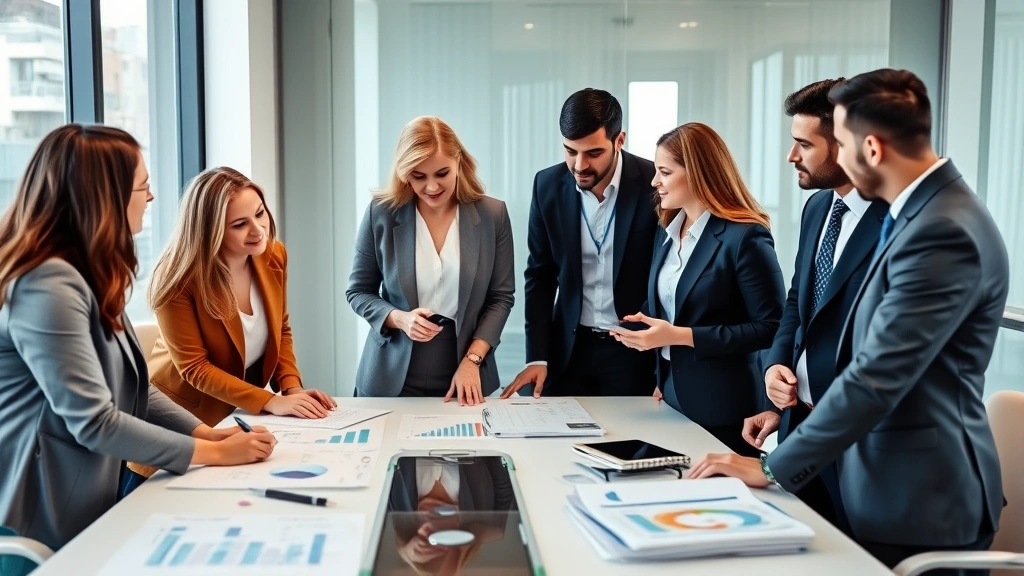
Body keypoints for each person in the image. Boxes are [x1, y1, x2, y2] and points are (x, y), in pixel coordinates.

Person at [691, 69, 1007, 574]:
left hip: (912, 492)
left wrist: (771, 466)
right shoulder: (925, 213)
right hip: (869, 471)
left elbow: (877, 376)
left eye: (840, 141)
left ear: (872, 149)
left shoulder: (940, 230)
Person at [0, 124, 276, 552]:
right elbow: (93, 420)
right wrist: (215, 455)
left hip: (85, 493)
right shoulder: (47, 283)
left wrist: (204, 434)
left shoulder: (91, 271)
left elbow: (133, 388)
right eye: (142, 187)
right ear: (104, 197)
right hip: (39, 510)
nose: (150, 197)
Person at [741, 79, 888, 531]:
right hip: (798, 428)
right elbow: (797, 303)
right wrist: (777, 367)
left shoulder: (901, 223)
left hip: (866, 451)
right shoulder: (819, 208)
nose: (791, 156)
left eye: (804, 144)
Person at [608, 122, 785, 457]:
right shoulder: (668, 229)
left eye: (664, 171)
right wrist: (643, 324)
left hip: (723, 408)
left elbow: (770, 328)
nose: (654, 181)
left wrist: (676, 335)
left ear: (698, 173)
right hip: (672, 397)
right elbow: (678, 301)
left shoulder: (745, 237)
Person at [147, 167, 335, 428]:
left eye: (260, 214)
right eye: (240, 225)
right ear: (209, 231)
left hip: (240, 416)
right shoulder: (177, 278)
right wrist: (269, 401)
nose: (258, 230)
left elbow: (280, 329)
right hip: (181, 421)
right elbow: (194, 368)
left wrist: (291, 388)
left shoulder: (273, 255)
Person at [502, 88, 659, 399]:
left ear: (619, 140)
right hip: (568, 351)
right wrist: (537, 355)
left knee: (628, 446)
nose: (579, 165)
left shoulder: (654, 182)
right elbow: (540, 276)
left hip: (635, 352)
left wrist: (665, 368)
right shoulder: (546, 185)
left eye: (593, 153)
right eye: (570, 151)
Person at [347, 116, 515, 403]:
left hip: (464, 370)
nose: (432, 187)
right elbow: (358, 292)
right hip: (390, 372)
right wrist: (399, 318)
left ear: (459, 163)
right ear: (404, 174)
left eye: (442, 173)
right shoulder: (381, 213)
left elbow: (501, 298)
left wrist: (473, 360)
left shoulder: (493, 215)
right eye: (418, 176)